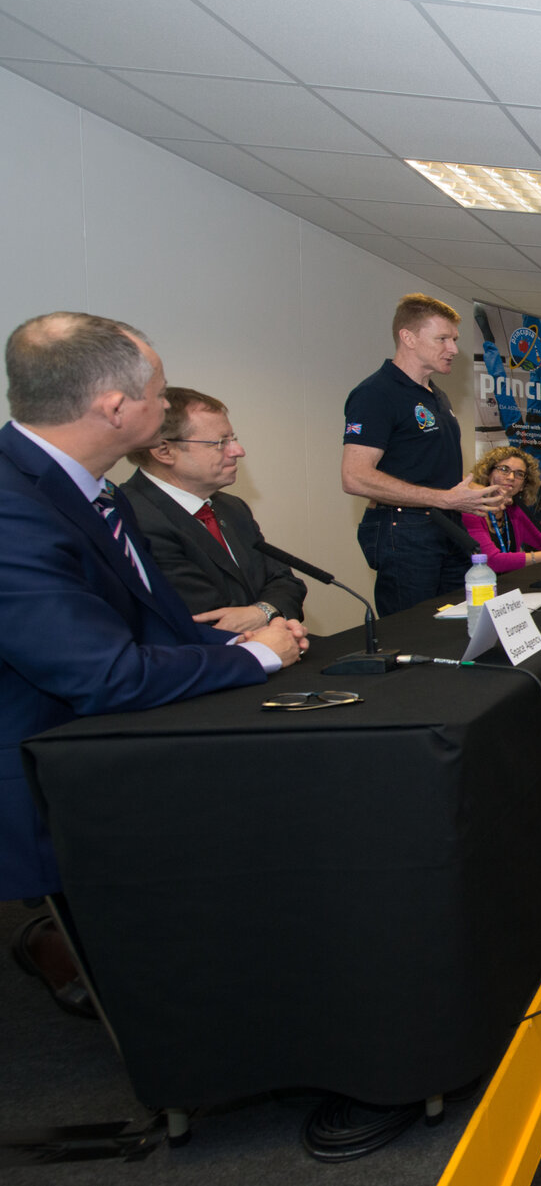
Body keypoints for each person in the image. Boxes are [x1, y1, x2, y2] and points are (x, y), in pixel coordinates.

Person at [2, 313, 308, 1013]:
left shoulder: (92, 492)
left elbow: (155, 622)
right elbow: (103, 672)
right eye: (160, 393)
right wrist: (252, 660)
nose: (166, 407)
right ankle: (55, 943)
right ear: (114, 407)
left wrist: (236, 646)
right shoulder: (12, 507)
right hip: (49, 773)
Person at [342, 294, 507, 616]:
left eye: (455, 339)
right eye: (442, 339)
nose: (454, 349)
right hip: (403, 529)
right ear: (408, 337)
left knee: (456, 624)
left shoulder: (437, 396)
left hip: (445, 527)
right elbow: (355, 476)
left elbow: (429, 473)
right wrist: (444, 500)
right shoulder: (376, 393)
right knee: (414, 630)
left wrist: (478, 495)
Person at [121, 386, 306, 632]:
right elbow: (210, 619)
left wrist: (261, 612)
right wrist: (270, 618)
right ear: (164, 451)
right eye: (220, 443)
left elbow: (287, 582)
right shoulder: (133, 516)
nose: (238, 451)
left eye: (234, 439)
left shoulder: (232, 507)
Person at [459, 445, 541, 575]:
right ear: (488, 474)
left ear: (523, 485)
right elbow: (491, 561)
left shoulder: (515, 511)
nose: (511, 477)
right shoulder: (471, 510)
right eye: (504, 469)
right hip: (470, 590)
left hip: (505, 587)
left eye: (519, 474)